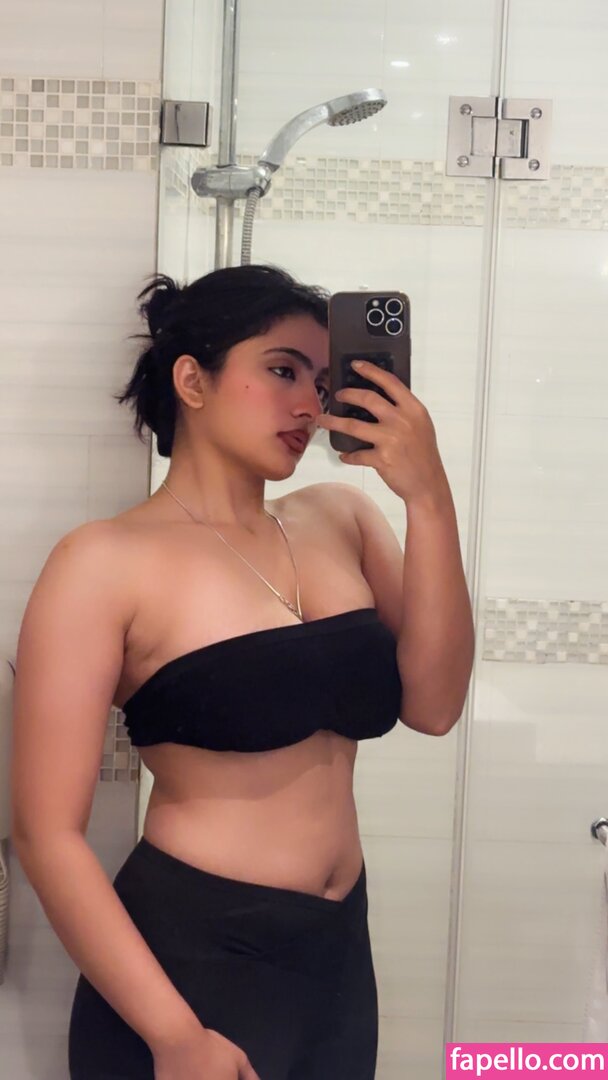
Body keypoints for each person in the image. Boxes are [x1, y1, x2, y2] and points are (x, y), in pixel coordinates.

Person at [11, 264, 409, 1080]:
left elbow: (435, 703)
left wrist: (428, 494)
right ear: (192, 381)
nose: (310, 405)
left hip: (339, 957)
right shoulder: (102, 561)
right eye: (282, 370)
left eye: (321, 382)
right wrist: (174, 1035)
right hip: (189, 962)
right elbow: (46, 833)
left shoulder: (342, 518)